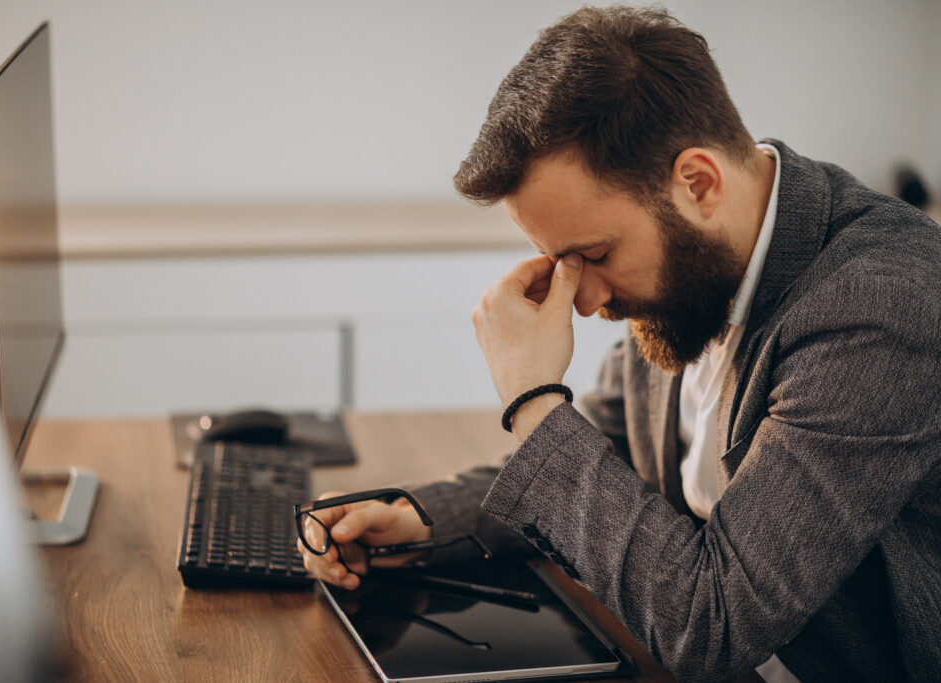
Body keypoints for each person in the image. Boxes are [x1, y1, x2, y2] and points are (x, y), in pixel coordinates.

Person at [297, 6, 941, 682]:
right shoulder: (693, 271)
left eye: (595, 254)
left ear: (697, 183)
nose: (584, 299)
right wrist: (420, 519)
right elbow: (604, 457)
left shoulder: (879, 305)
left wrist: (533, 399)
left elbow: (711, 624)